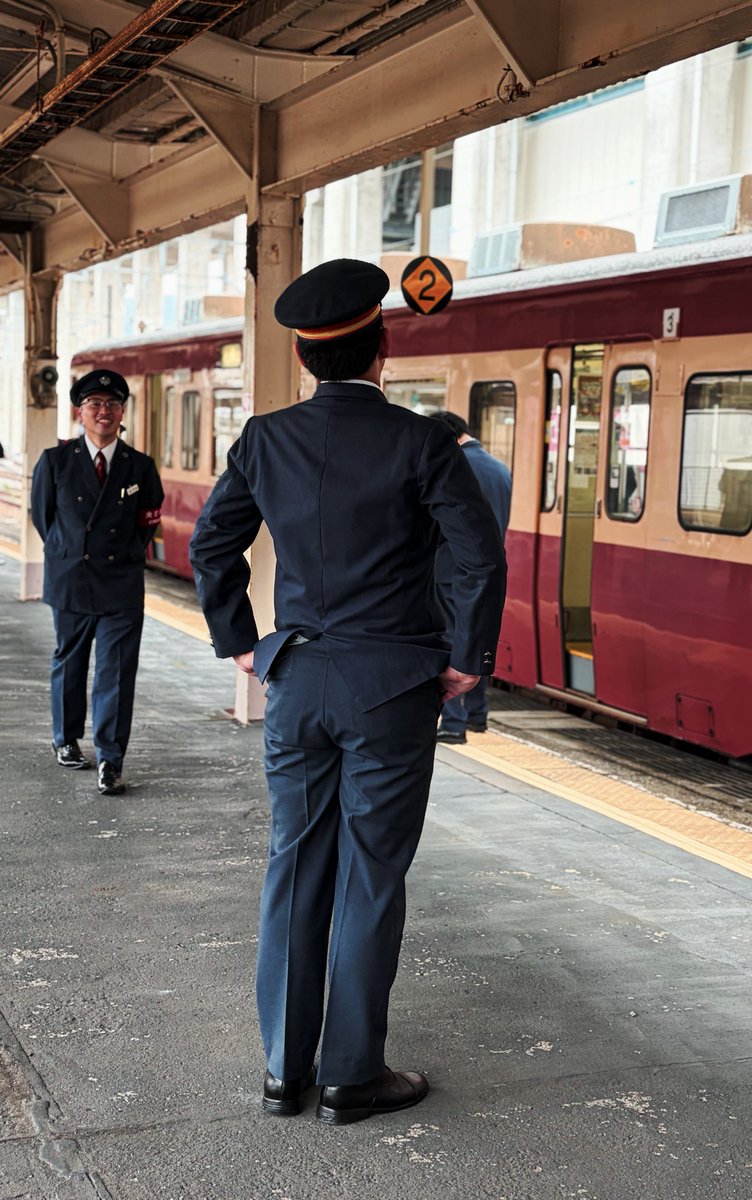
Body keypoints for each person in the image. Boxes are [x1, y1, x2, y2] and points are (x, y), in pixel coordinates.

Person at [189, 259, 506, 1125]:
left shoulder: (263, 439)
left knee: (295, 864)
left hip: (296, 686)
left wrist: (243, 646)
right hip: (392, 689)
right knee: (370, 874)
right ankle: (350, 1076)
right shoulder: (424, 444)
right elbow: (479, 557)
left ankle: (283, 1071)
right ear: (383, 345)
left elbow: (211, 548)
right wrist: (467, 659)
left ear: (303, 356)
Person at [31, 369, 164, 795]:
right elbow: (43, 516)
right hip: (71, 579)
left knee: (117, 672)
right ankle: (66, 740)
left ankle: (111, 759)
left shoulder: (139, 466)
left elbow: (148, 521)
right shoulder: (56, 460)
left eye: (111, 404)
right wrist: (67, 551)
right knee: (69, 664)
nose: (103, 411)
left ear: (122, 411)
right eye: (94, 404)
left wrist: (125, 556)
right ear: (80, 412)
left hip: (121, 584)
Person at [431, 410, 511, 745]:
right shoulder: (500, 468)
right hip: (488, 570)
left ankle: (453, 722)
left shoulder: (455, 466)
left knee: (451, 640)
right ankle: (478, 715)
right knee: (479, 637)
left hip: (452, 568)